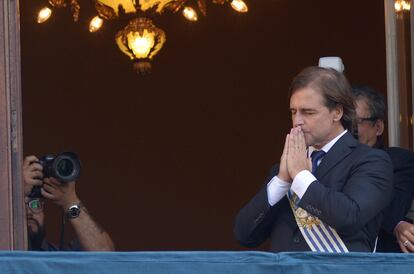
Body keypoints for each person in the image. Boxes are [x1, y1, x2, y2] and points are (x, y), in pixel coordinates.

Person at [234, 66, 394, 252]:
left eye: (308, 112)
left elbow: (350, 217)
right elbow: (244, 235)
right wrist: (281, 181)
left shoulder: (372, 161)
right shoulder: (286, 167)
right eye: (294, 112)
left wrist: (301, 177)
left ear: (337, 113)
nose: (297, 121)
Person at [352, 85, 414, 253]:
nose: (350, 129)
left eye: (357, 122)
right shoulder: (326, 162)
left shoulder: (400, 161)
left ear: (378, 127)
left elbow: (392, 208)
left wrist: (397, 224)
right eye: (345, 121)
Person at [23, 155, 115, 251]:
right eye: (21, 204)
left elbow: (105, 256)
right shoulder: (5, 248)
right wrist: (17, 190)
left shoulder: (57, 257)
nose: (29, 213)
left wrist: (70, 202)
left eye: (34, 204)